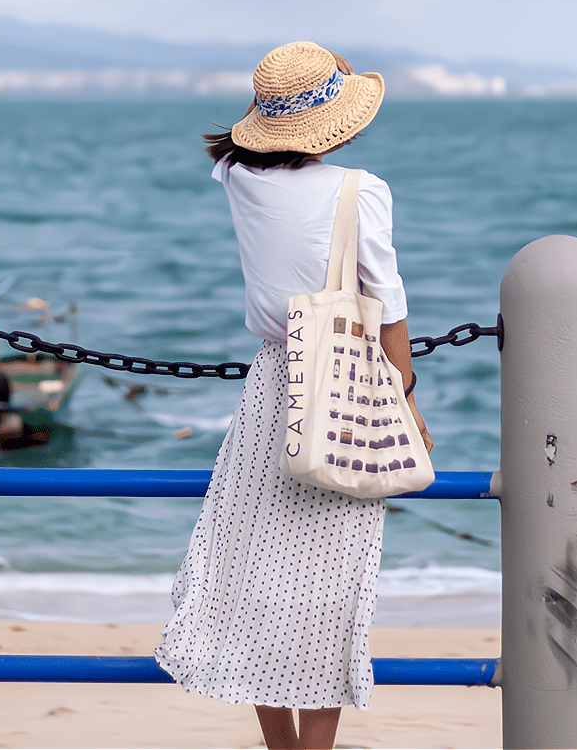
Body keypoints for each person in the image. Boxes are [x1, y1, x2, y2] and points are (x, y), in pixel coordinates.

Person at [154, 41, 433, 750]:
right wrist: (405, 395)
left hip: (272, 385)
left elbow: (236, 152)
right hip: (345, 379)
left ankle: (280, 744)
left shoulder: (236, 176)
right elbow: (388, 300)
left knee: (248, 577)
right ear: (339, 125)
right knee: (332, 587)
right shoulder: (360, 189)